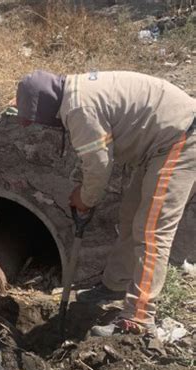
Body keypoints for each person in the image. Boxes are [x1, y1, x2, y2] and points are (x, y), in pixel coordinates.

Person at [16, 70, 195, 336]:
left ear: (45, 105)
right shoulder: (73, 94)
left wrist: (85, 199)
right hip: (159, 142)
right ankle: (115, 285)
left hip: (180, 138)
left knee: (152, 230)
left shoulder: (79, 109)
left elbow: (99, 165)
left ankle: (138, 319)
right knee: (130, 214)